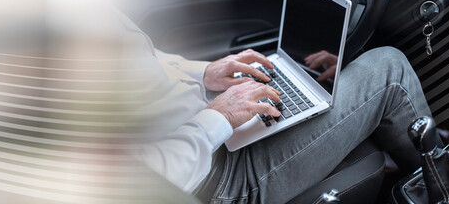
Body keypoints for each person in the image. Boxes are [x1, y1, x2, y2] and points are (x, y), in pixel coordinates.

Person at [125, 15, 430, 203]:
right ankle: (447, 185)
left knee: (311, 84)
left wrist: (203, 72)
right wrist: (219, 116)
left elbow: (146, 57)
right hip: (216, 180)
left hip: (202, 134)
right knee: (389, 69)